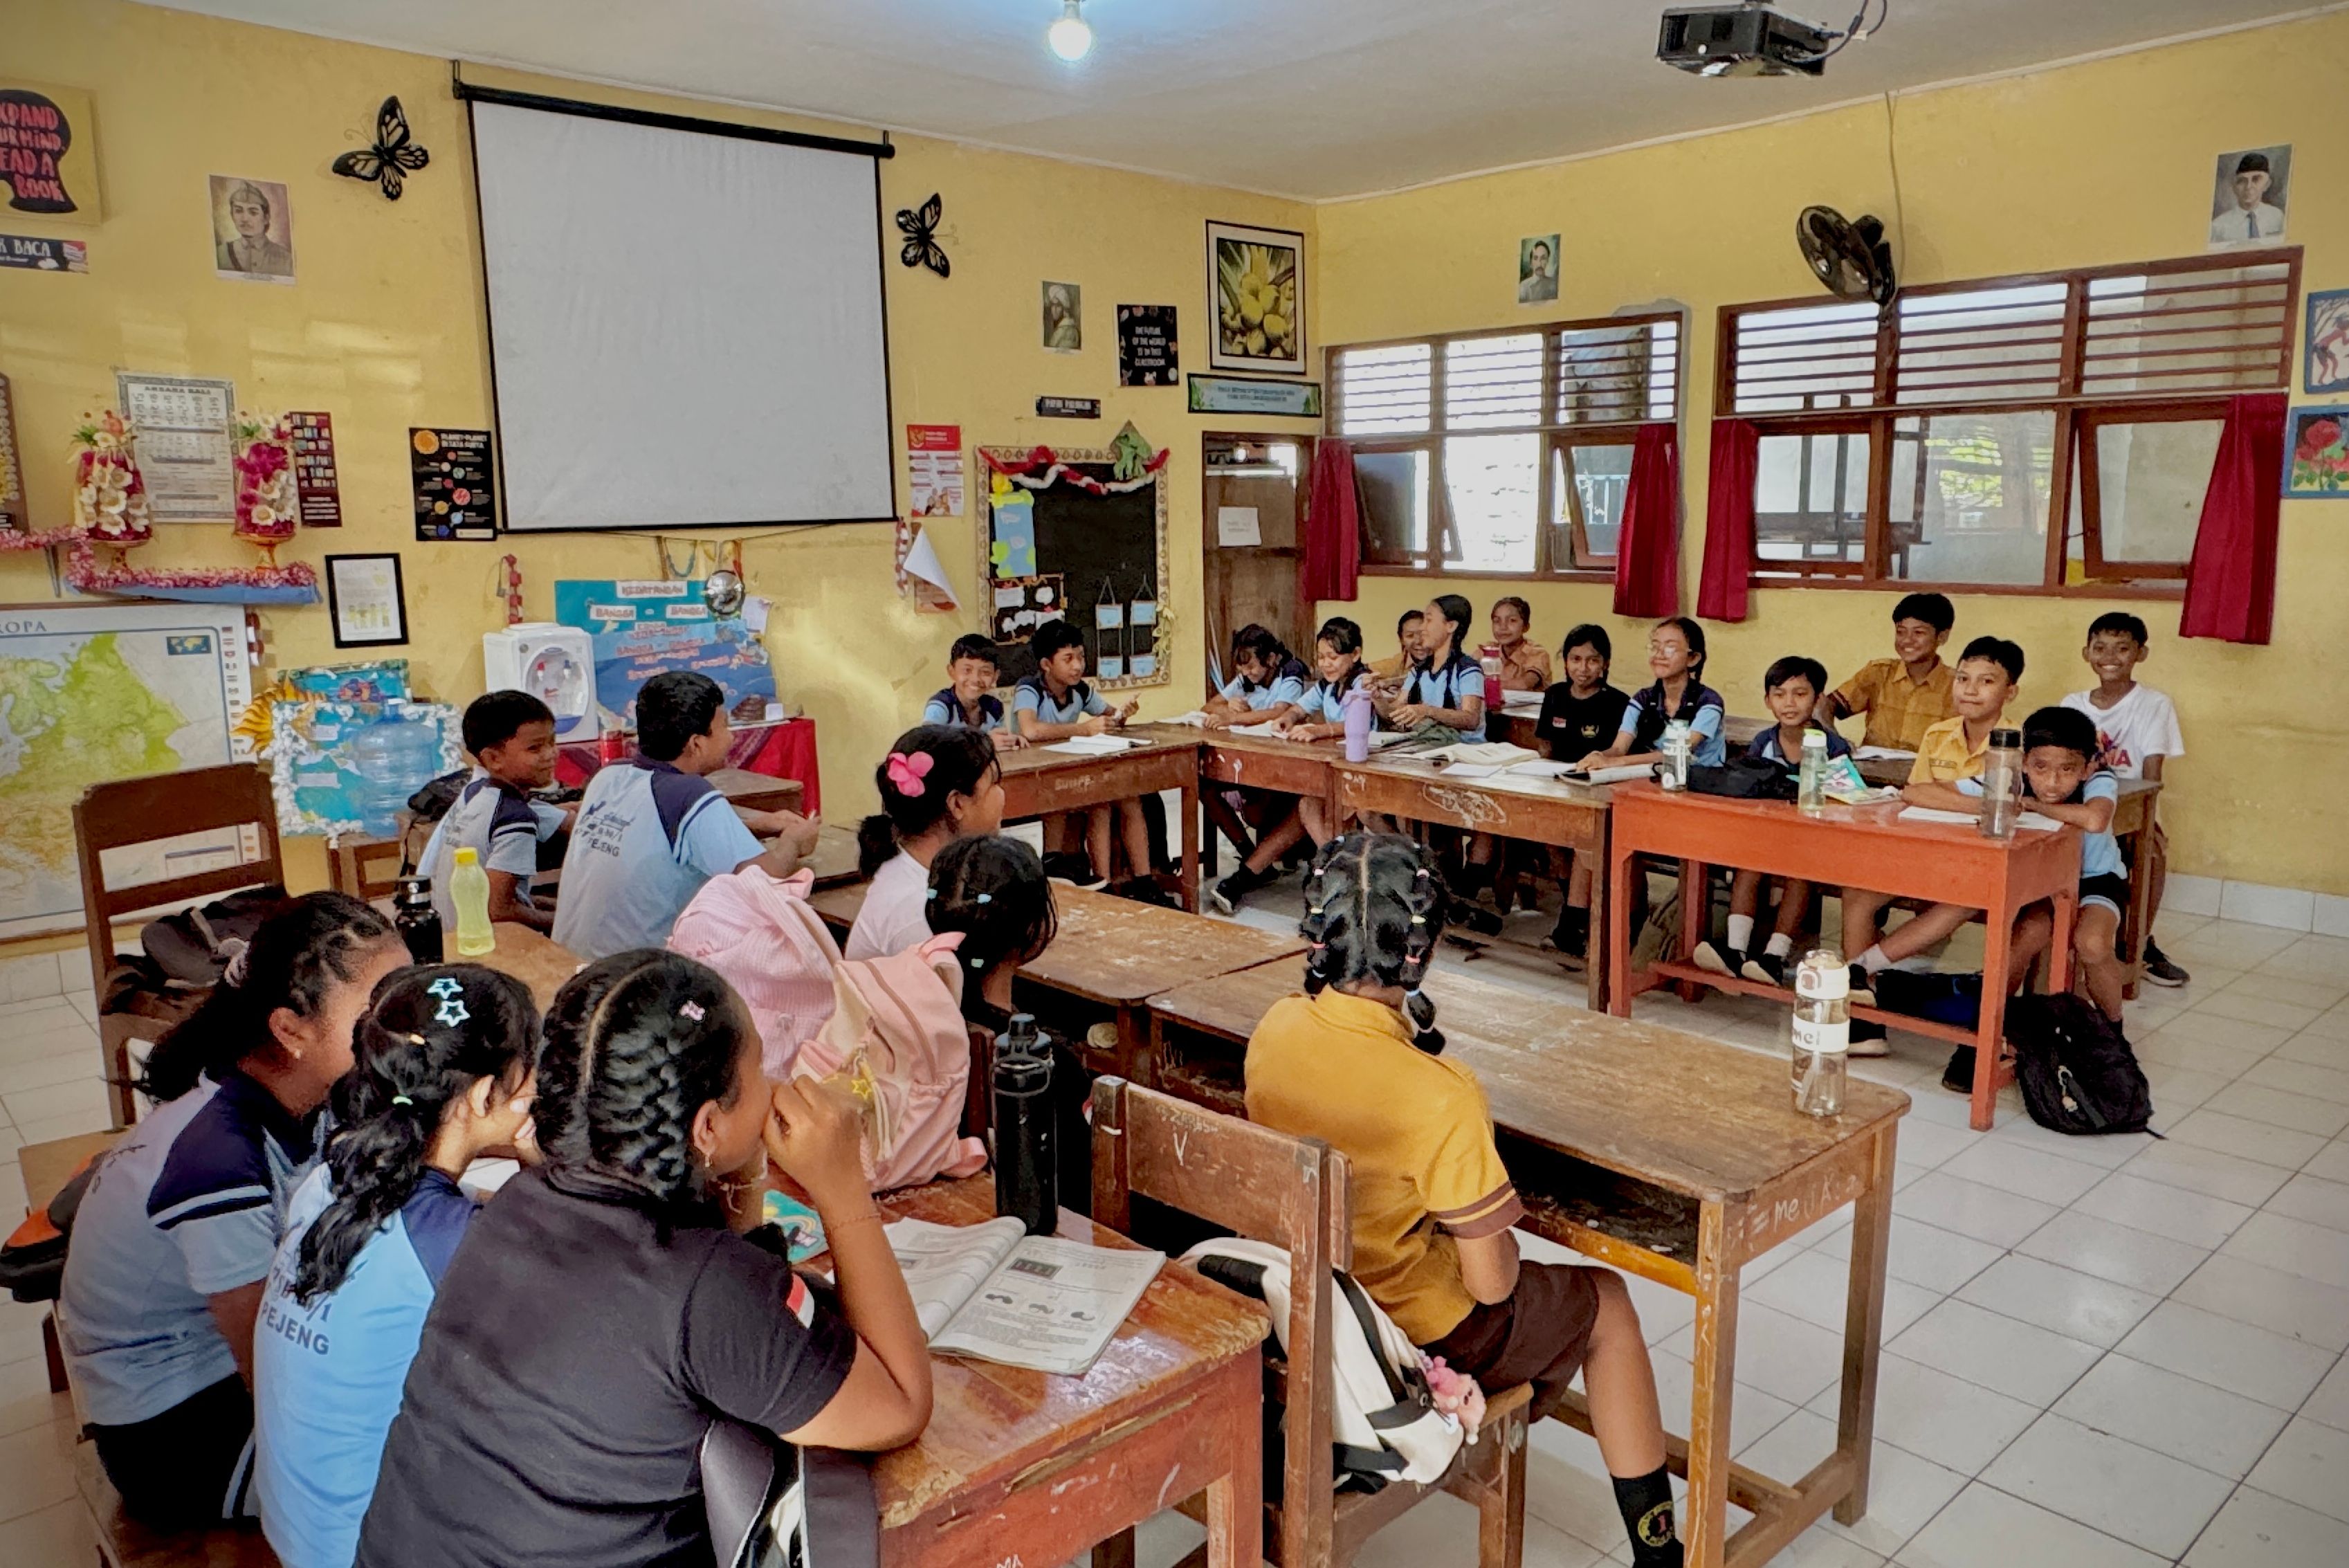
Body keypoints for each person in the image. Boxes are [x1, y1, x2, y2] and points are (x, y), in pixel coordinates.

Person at [353, 953, 931, 1568]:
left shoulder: (520, 1202)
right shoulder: (703, 1288)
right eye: (760, 1066)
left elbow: (710, 1265)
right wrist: (842, 1187)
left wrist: (740, 1162)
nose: (774, 1081)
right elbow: (898, 1404)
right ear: (706, 1125)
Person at [1245, 835, 1682, 1568]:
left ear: (1317, 935)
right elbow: (1493, 1284)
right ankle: (1658, 1552)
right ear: (1423, 950)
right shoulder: (1441, 1093)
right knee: (1605, 1301)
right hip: (1410, 1331)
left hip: (1308, 1301)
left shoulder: (1277, 1026)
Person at [61, 893, 408, 1528]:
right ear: (290, 1031)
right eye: (378, 1015)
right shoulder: (218, 1159)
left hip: (233, 1367)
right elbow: (269, 1370)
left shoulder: (305, 1095)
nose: (406, 1035)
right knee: (438, 1474)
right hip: (176, 1429)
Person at [255, 966, 540, 1568]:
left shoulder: (332, 1176)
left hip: (299, 1530)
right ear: (488, 1096)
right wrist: (541, 1168)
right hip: (368, 1550)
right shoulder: (456, 1244)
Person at [553, 671, 820, 960]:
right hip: (635, 978)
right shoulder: (689, 794)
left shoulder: (608, 775)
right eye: (725, 727)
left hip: (569, 961)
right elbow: (766, 882)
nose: (731, 739)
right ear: (696, 744)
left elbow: (652, 835)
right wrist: (793, 841)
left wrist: (755, 826)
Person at [1836, 636, 2024, 1030]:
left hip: (1979, 863)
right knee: (1858, 892)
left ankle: (1860, 970)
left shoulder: (2017, 743)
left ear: (2011, 691)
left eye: (1986, 682)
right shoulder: (1939, 733)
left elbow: (2010, 809)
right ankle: (1865, 1017)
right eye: (1964, 679)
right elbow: (1916, 792)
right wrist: (1985, 804)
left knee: (1963, 900)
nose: (1970, 690)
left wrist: (1953, 799)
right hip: (1925, 851)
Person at [1691, 657, 1853, 988]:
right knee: (1748, 865)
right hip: (1765, 837)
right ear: (1768, 700)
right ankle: (1735, 951)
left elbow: (1845, 799)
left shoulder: (1833, 747)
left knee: (1800, 873)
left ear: (1818, 699)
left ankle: (1775, 956)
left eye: (1800, 693)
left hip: (1812, 842)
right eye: (1780, 694)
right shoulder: (1763, 741)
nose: (1789, 703)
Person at [1964, 707, 2130, 1022]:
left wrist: (2030, 805)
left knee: (2092, 944)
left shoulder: (2100, 778)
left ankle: (2112, 1029)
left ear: (2087, 768)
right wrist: (1996, 803)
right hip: (2039, 882)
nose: (2052, 782)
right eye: (2040, 767)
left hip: (2095, 880)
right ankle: (1993, 1026)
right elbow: (1921, 792)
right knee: (2029, 933)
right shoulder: (2013, 778)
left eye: (2067, 770)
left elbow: (2095, 819)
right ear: (2025, 761)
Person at [2062, 612, 2188, 986]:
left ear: (2141, 654)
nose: (2110, 656)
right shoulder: (2073, 702)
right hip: (2081, 810)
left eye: (2122, 648)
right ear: (2086, 653)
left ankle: (2139, 944)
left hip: (2128, 812)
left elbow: (2152, 772)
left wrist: (2148, 821)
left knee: (2152, 852)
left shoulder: (2154, 704)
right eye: (2099, 648)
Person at [1009, 619, 1155, 900]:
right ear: (1046, 664)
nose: (1078, 665)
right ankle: (1054, 863)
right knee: (1065, 797)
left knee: (1108, 798)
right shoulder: (1029, 688)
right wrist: (1084, 729)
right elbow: (1030, 729)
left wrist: (1123, 714)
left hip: (1067, 771)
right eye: (1068, 659)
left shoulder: (1081, 691)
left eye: (1081, 657)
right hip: (1032, 777)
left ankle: (1108, 883)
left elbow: (1109, 718)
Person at [416, 690, 572, 935]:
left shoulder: (477, 792)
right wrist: (567, 924)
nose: (551, 755)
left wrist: (563, 910)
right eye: (535, 748)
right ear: (494, 759)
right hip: (485, 944)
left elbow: (515, 899)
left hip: (449, 933)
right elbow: (498, 911)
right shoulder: (515, 817)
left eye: (552, 743)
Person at [848, 724, 1005, 960]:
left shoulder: (923, 872)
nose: (1002, 795)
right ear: (957, 804)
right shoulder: (917, 912)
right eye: (994, 784)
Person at [1536, 624, 1629, 956]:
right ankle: (1574, 905)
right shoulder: (1555, 695)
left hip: (1595, 792)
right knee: (1551, 842)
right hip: (1558, 784)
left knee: (1581, 842)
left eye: (1592, 661)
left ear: (1604, 664)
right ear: (1565, 662)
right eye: (1575, 659)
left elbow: (1620, 755)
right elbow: (1546, 745)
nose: (1583, 668)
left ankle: (1572, 923)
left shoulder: (1617, 703)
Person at [1569, 617, 1724, 773]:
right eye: (1655, 647)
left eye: (1670, 648)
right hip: (1656, 779)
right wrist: (1598, 756)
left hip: (1703, 784)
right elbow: (1618, 749)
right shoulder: (1643, 699)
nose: (1659, 655)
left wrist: (1615, 762)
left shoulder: (1708, 702)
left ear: (1693, 658)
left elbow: (1677, 753)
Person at [1823, 592, 1957, 752]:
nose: (1907, 640)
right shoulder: (1878, 673)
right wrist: (1835, 742)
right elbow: (1825, 705)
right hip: (1873, 772)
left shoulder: (1957, 685)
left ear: (1942, 637)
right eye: (1901, 632)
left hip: (1928, 775)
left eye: (1919, 633)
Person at [1386, 594, 1486, 736]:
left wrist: (1427, 711)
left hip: (1464, 750)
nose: (1422, 627)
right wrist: (1375, 697)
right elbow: (1394, 712)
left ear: (1450, 626)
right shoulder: (1419, 670)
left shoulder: (1467, 669)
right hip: (1430, 745)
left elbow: (1471, 719)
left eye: (1429, 620)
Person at [921, 634, 1023, 747]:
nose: (975, 679)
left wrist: (1009, 741)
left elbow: (996, 742)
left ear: (995, 676)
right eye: (967, 670)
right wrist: (984, 743)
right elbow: (928, 747)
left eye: (985, 672)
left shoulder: (994, 707)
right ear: (952, 672)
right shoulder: (941, 706)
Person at [1202, 623, 1309, 730]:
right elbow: (1208, 707)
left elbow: (1280, 712)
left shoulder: (1291, 670)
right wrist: (1229, 707)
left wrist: (1233, 718)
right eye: (1241, 668)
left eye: (1251, 667)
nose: (1245, 673)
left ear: (1270, 659)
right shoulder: (1246, 677)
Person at [217, 181, 293, 277]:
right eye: (238, 211)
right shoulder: (221, 253)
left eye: (253, 212)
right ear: (232, 215)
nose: (245, 219)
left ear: (266, 218)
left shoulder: (286, 259)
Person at [2209, 150, 2285, 245]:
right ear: (2234, 186)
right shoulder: (2219, 227)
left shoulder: (2277, 217)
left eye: (2256, 179)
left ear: (2267, 184)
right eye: (2242, 181)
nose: (2249, 186)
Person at [1488, 597, 1550, 692]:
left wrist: (1486, 685)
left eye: (1512, 620)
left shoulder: (1537, 653)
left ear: (1525, 627)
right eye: (1497, 621)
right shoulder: (1486, 652)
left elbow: (1524, 684)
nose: (1503, 627)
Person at [1368, 608, 1424, 684]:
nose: (1418, 641)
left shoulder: (1442, 660)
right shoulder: (1398, 663)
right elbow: (1365, 669)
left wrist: (1393, 682)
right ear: (1402, 640)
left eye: (1423, 634)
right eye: (1410, 636)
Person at [1517, 238, 1559, 305]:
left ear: (1547, 261)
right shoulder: (1523, 287)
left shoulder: (1554, 285)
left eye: (1543, 258)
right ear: (1531, 263)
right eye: (1535, 258)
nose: (1539, 263)